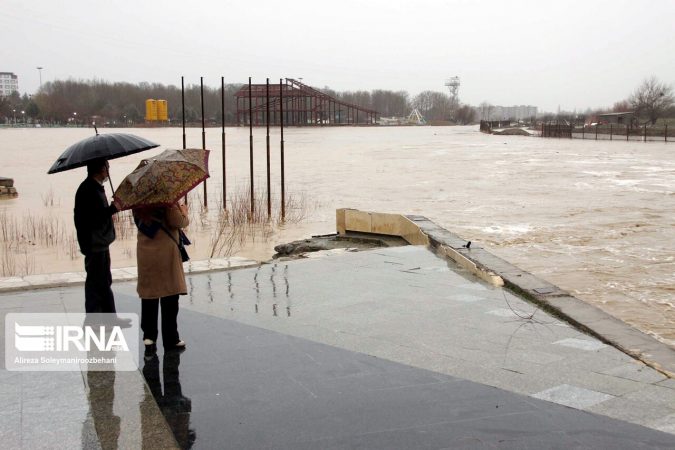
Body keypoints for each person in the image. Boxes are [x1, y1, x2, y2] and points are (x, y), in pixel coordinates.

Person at [134, 202, 189, 354]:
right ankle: (171, 338)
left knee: (149, 295)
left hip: (145, 252)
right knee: (170, 296)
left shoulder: (138, 202)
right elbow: (177, 221)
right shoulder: (167, 201)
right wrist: (183, 211)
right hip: (166, 253)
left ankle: (149, 338)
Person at [74, 159, 120, 314]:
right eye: (107, 168)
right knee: (96, 283)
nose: (108, 171)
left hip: (100, 242)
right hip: (94, 243)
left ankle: (110, 317)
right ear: (100, 170)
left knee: (104, 281)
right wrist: (112, 209)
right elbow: (93, 217)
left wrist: (110, 210)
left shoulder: (95, 187)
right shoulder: (88, 189)